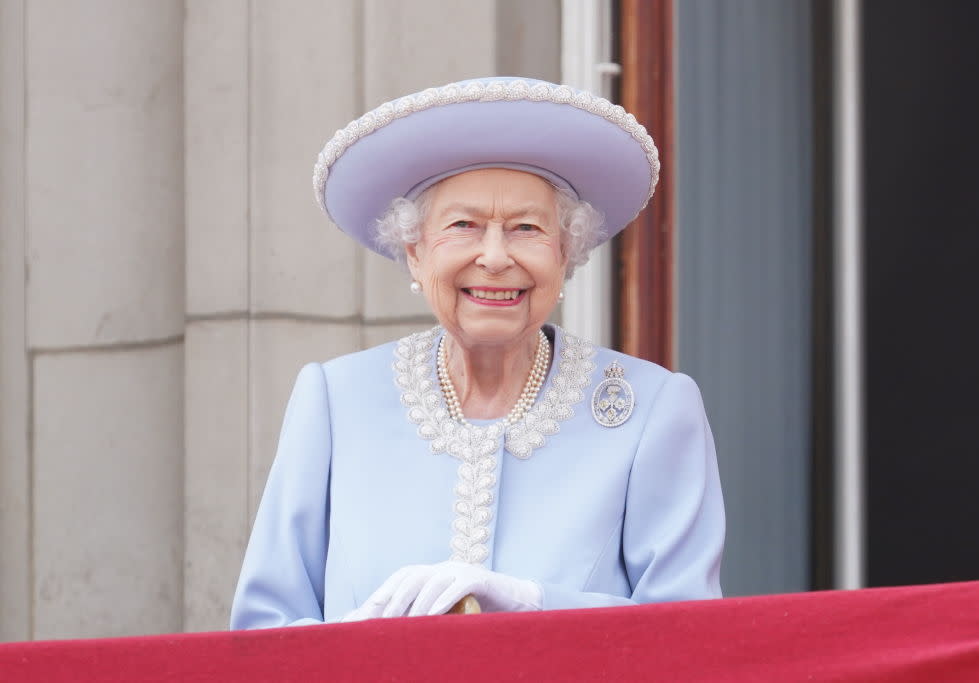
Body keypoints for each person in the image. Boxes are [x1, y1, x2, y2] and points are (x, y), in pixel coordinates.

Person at [229, 77, 725, 629]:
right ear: (414, 253)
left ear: (566, 254)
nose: (494, 257)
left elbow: (689, 634)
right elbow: (263, 630)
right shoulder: (335, 400)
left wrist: (533, 604)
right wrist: (354, 646)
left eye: (526, 229)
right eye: (463, 226)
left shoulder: (653, 409)